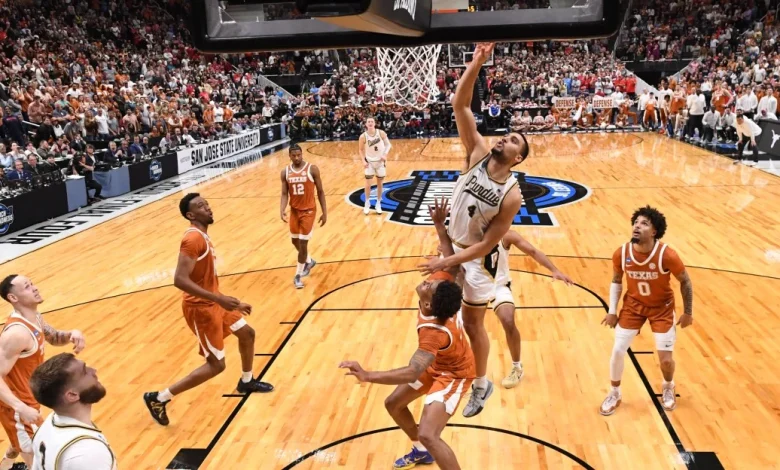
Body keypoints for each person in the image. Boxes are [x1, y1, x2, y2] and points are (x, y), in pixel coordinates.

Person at [418, 42, 527, 418]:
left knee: (475, 323)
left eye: (513, 141)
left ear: (519, 158)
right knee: (433, 303)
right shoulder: (478, 153)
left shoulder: (511, 196)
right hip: (453, 245)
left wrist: (448, 257)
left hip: (479, 261)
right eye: (506, 135)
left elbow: (485, 247)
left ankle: (480, 384)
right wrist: (477, 61)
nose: (504, 139)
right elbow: (460, 106)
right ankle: (443, 368)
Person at [340, 198, 474, 470]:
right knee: (394, 404)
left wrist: (367, 375)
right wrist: (439, 226)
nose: (429, 281)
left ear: (428, 305)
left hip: (454, 375)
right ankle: (421, 451)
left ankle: (426, 445)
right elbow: (451, 266)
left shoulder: (433, 332)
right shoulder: (441, 296)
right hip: (438, 364)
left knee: (429, 433)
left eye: (430, 286)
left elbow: (411, 372)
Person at [144, 193, 273, 426]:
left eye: (207, 204)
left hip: (215, 303)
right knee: (216, 365)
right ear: (190, 215)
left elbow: (204, 281)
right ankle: (159, 398)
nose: (208, 208)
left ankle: (247, 381)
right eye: (201, 206)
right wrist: (218, 299)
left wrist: (225, 300)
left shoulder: (203, 236)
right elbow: (180, 280)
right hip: (201, 309)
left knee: (247, 333)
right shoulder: (193, 239)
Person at [600, 206, 694, 416]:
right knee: (617, 350)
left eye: (644, 224)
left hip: (661, 308)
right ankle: (614, 393)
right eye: (636, 222)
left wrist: (688, 311)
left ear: (654, 232)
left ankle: (668, 386)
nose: (637, 226)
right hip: (633, 307)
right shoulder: (622, 253)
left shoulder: (667, 255)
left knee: (666, 361)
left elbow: (685, 282)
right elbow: (616, 281)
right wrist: (612, 310)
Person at [0, 275, 86, 469]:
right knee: (39, 461)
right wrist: (20, 407)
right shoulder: (17, 334)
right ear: (13, 298)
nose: (35, 288)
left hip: (27, 397)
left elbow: (54, 337)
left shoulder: (35, 318)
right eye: (27, 287)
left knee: (20, 443)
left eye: (32, 284)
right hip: (15, 406)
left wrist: (72, 333)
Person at [492, 230, 574, 388]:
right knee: (459, 323)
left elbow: (532, 251)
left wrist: (554, 270)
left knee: (508, 321)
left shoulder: (506, 235)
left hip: (498, 286)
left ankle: (517, 367)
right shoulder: (466, 231)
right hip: (473, 285)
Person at [30, 353, 115, 469]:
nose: (94, 371)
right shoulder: (87, 452)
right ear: (72, 395)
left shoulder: (47, 426)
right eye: (85, 372)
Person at [280, 144, 327, 289]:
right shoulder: (285, 172)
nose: (296, 158)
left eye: (298, 155)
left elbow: (320, 191)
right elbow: (284, 194)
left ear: (302, 154)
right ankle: (309, 260)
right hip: (294, 210)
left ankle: (298, 276)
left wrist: (325, 212)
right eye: (293, 156)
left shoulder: (312, 169)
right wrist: (281, 209)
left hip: (308, 211)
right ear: (289, 156)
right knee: (294, 241)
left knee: (302, 244)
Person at [358, 117, 392, 215]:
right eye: (368, 121)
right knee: (368, 184)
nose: (370, 123)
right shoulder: (363, 136)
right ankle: (367, 203)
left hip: (380, 162)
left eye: (372, 121)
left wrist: (385, 154)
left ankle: (378, 203)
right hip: (369, 162)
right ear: (366, 124)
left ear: (374, 123)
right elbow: (360, 150)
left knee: (380, 184)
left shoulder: (381, 133)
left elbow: (388, 145)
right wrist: (363, 161)